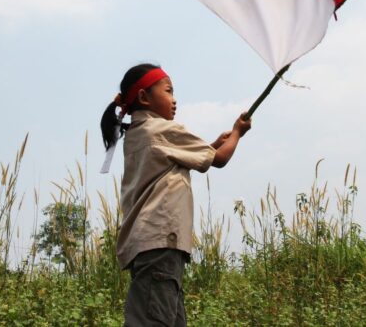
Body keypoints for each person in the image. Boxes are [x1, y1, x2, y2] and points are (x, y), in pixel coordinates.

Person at [100, 63, 252, 326]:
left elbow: (180, 156)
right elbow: (219, 160)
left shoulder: (137, 134)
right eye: (168, 90)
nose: (174, 99)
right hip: (160, 243)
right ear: (144, 98)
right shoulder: (162, 129)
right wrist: (238, 133)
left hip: (151, 245)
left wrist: (212, 144)